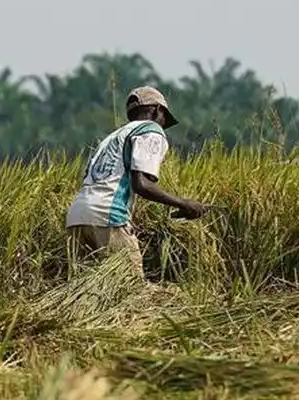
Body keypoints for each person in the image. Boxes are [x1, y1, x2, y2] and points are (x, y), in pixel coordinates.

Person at [64, 86, 208, 281]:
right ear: (157, 110)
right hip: (108, 214)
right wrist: (185, 204)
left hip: (77, 216)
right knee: (130, 290)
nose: (163, 126)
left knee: (84, 290)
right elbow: (141, 184)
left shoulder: (113, 136)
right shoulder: (151, 130)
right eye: (165, 120)